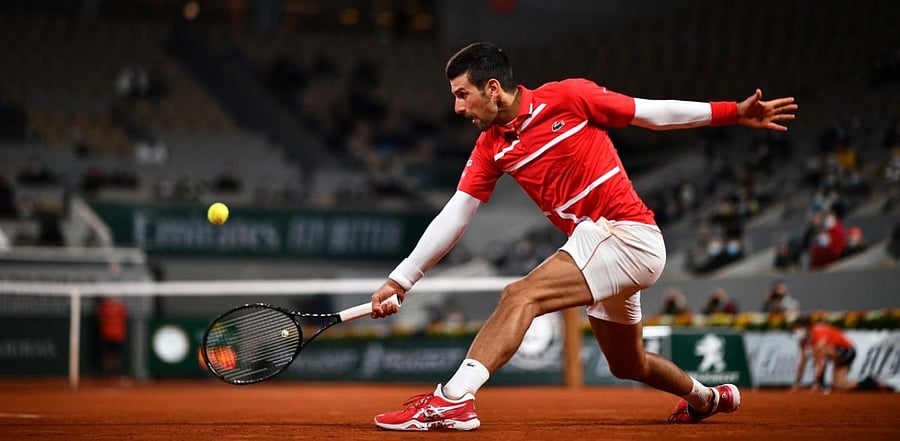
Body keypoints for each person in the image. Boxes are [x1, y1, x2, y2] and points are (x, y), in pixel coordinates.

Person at [368, 42, 797, 431]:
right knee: (628, 364)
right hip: (602, 246)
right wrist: (401, 279)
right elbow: (455, 214)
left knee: (520, 295)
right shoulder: (490, 147)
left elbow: (650, 112)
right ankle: (706, 398)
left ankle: (454, 400)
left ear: (493, 88)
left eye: (462, 94)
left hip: (626, 234)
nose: (458, 107)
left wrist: (732, 112)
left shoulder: (567, 97)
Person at [790, 316, 893, 393]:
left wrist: (816, 383)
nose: (796, 331)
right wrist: (797, 382)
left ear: (807, 327)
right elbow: (802, 360)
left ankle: (820, 384)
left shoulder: (818, 332)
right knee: (839, 385)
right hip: (837, 355)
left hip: (847, 351)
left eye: (798, 328)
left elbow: (819, 361)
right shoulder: (803, 340)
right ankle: (871, 384)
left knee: (819, 352)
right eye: (794, 329)